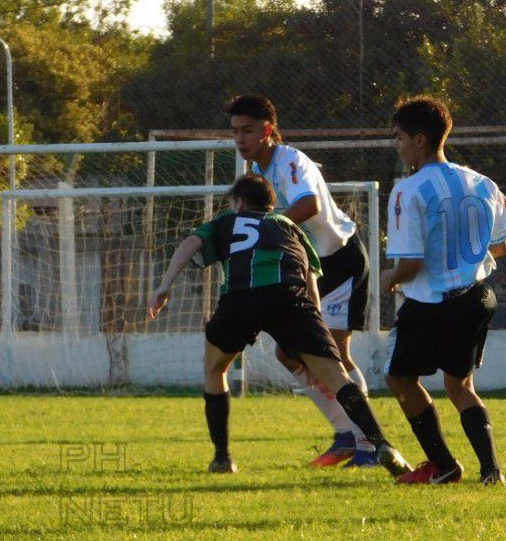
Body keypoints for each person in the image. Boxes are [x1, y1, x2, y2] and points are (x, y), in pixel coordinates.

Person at [148, 173, 411, 478]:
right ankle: (380, 443)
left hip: (240, 298)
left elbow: (191, 242)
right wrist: (314, 329)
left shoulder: (226, 220)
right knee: (337, 377)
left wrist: (164, 286)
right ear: (271, 205)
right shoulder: (289, 226)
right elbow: (310, 277)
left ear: (239, 202)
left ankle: (222, 458)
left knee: (214, 368)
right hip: (290, 298)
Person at [226, 94, 377, 467]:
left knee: (335, 355)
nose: (240, 139)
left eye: (247, 131)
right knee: (288, 352)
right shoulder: (257, 176)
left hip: (340, 261)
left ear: (269, 131)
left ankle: (369, 444)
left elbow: (309, 205)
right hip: (309, 269)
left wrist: (268, 229)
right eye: (235, 132)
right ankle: (346, 435)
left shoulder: (290, 160)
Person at [382, 96, 506, 485]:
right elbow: (504, 244)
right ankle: (492, 470)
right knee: (460, 386)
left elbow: (410, 264)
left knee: (400, 380)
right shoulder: (481, 181)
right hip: (478, 297)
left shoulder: (408, 191)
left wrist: (388, 279)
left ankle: (443, 465)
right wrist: (467, 252)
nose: (397, 145)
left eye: (399, 138)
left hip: (433, 302)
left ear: (421, 140)